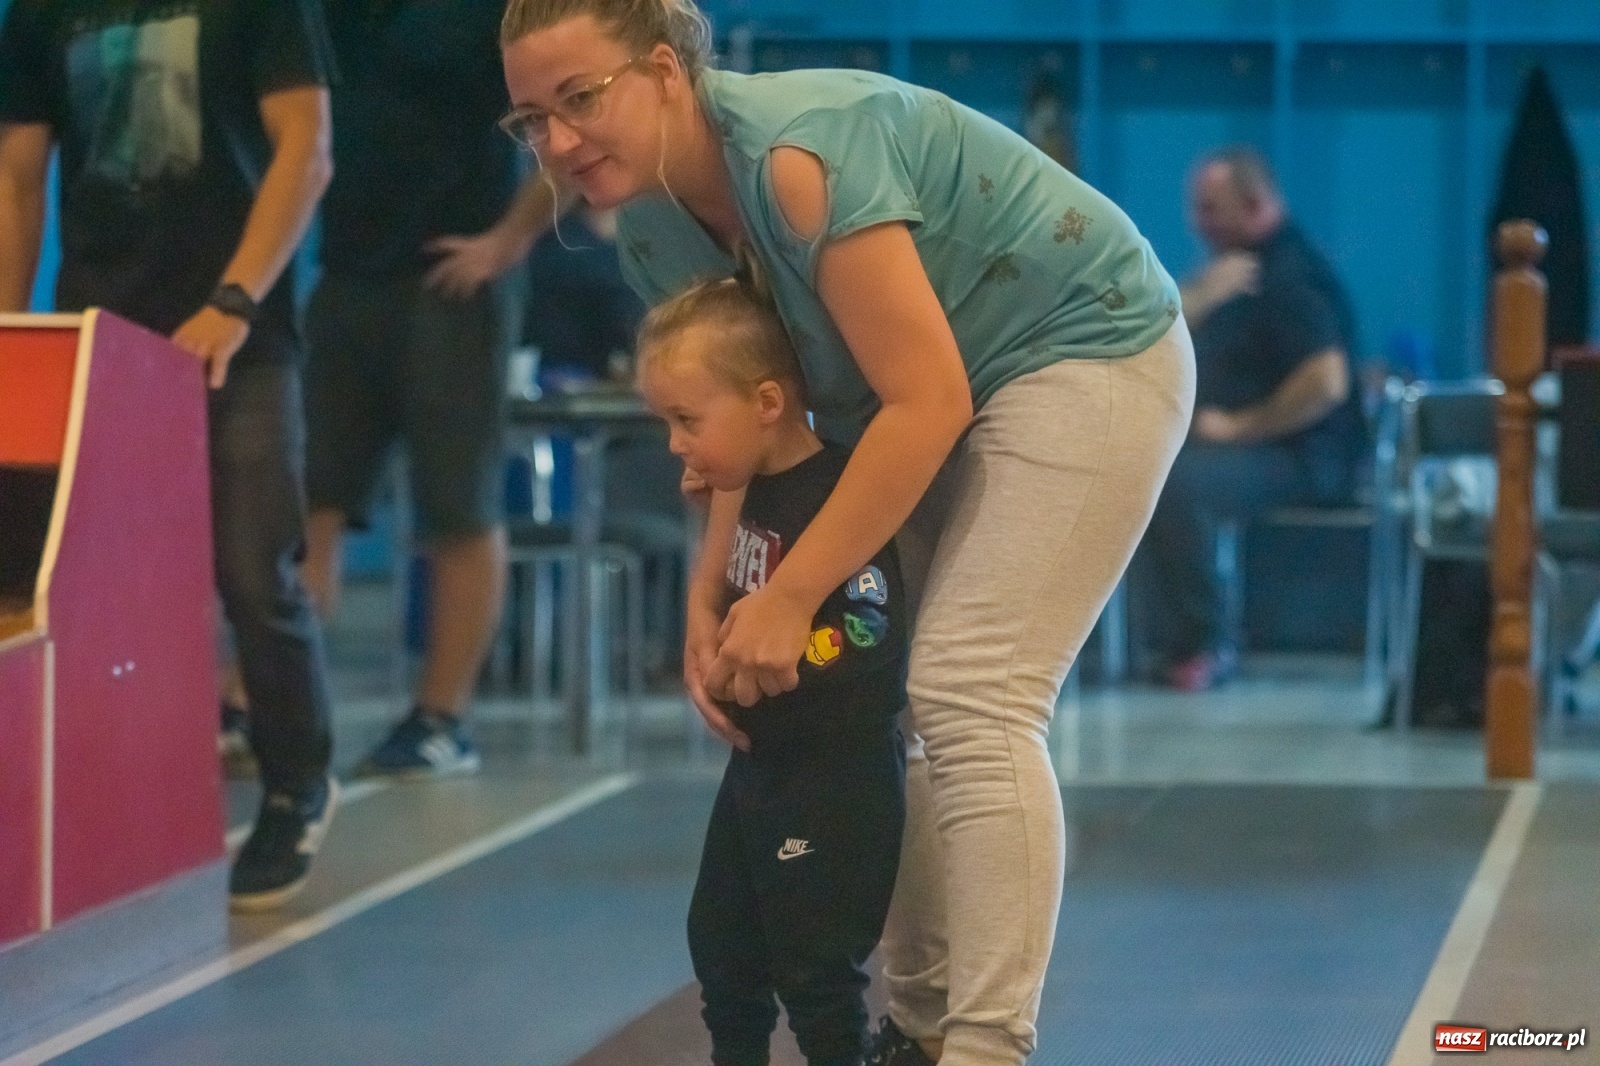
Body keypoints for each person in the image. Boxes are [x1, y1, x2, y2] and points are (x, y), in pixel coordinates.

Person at [499, 5, 1195, 1063]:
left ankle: (986, 1046)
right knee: (889, 700)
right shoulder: (649, 225)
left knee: (971, 689)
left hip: (1080, 348)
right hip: (915, 403)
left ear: (663, 69)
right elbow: (748, 417)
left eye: (578, 100)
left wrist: (791, 597)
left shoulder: (799, 155)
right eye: (528, 120)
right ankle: (916, 1031)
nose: (555, 142)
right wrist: (719, 595)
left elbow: (929, 399)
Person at [0, 0, 339, 909]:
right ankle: (96, 798)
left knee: (250, 571)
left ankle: (294, 786)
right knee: (88, 588)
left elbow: (306, 149)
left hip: (241, 331)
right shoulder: (37, 12)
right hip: (96, 329)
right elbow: (19, 176)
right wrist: (13, 332)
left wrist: (236, 300)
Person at [637, 275, 908, 1066]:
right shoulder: (746, 483)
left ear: (765, 403)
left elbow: (866, 626)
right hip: (760, 771)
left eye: (687, 421)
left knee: (816, 972)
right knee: (721, 950)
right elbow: (731, 586)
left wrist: (791, 661)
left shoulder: (838, 493)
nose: (675, 446)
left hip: (836, 779)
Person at [300, 0, 557, 777]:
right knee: (309, 500)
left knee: (458, 505)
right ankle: (270, 703)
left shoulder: (489, 13)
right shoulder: (329, 15)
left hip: (451, 279)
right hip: (347, 273)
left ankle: (441, 719)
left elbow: (566, 130)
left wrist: (505, 243)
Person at [1135, 145, 1365, 692]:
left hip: (1308, 459)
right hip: (1259, 449)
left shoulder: (1290, 275)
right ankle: (1168, 641)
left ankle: (1203, 644)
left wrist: (1240, 428)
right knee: (1149, 471)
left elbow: (1326, 382)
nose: (1198, 223)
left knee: (1176, 485)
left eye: (1211, 208)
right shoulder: (1232, 272)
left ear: (1255, 202)